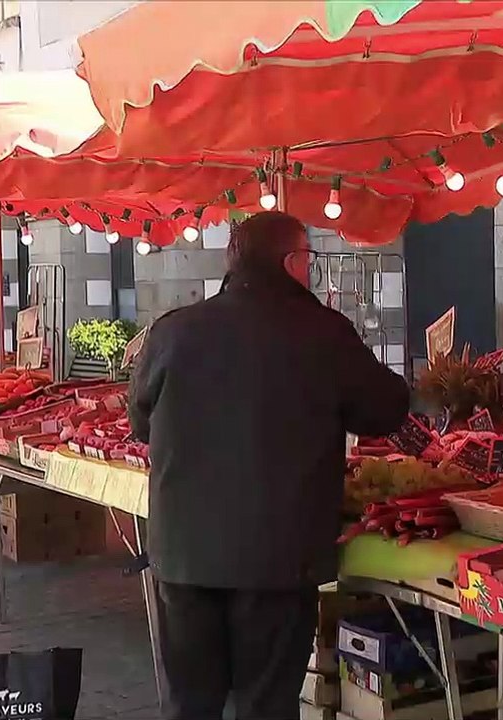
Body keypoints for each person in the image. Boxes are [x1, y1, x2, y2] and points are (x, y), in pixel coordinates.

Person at [128, 211, 411, 720]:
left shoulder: (173, 332)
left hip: (185, 554)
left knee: (188, 705)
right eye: (309, 258)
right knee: (266, 705)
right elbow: (387, 408)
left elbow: (142, 425)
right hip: (276, 559)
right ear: (293, 262)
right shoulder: (321, 332)